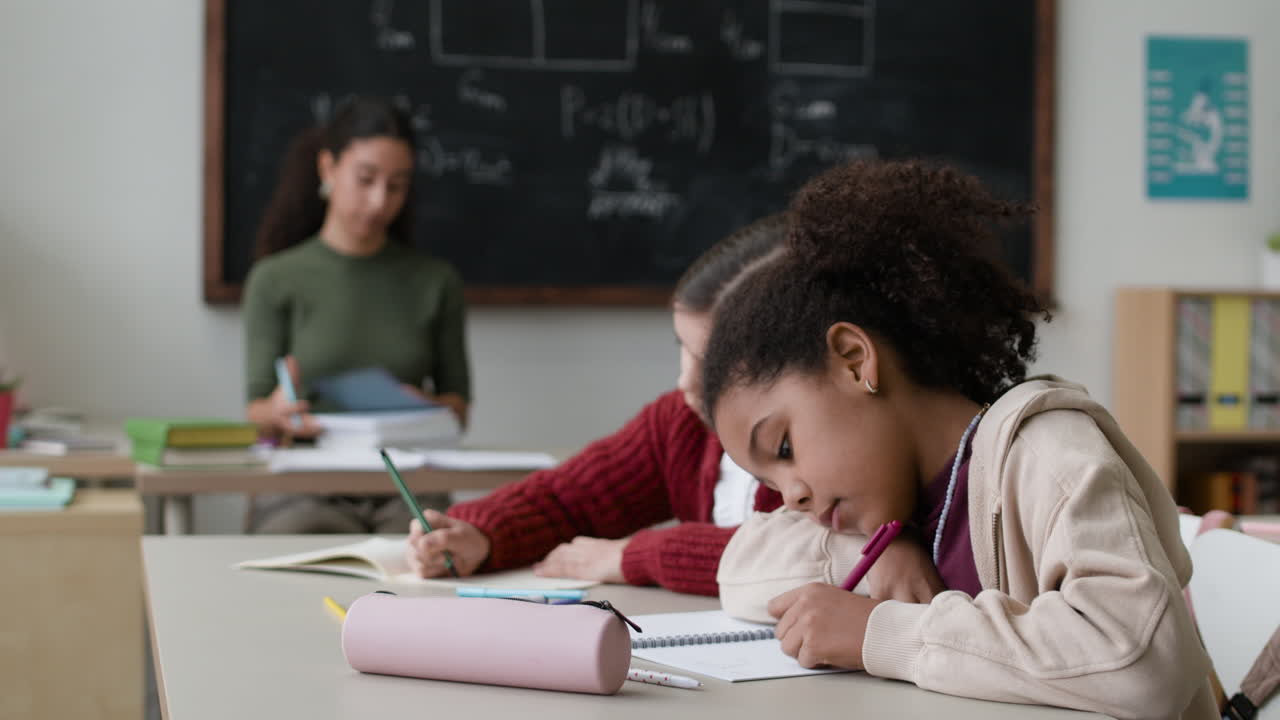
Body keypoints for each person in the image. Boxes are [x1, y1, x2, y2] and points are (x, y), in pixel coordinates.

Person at [699, 159, 1216, 718]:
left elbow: (1143, 660)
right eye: (769, 481)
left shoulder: (1048, 452)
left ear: (853, 361)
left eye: (783, 449)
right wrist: (880, 551)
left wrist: (885, 632)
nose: (791, 496)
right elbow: (739, 573)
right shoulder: (897, 501)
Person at [405, 214, 946, 598]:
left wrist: (632, 556)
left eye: (707, 363)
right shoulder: (681, 425)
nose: (688, 382)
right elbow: (573, 497)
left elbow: (790, 550)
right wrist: (481, 532)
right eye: (682, 351)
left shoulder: (825, 451)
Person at [243, 96, 470, 534]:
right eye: (365, 179)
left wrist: (430, 410)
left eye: (397, 185)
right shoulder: (275, 279)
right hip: (305, 482)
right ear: (328, 169)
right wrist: (276, 409)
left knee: (423, 553)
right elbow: (254, 407)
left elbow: (458, 407)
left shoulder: (436, 281)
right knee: (298, 538)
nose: (379, 201)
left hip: (408, 483)